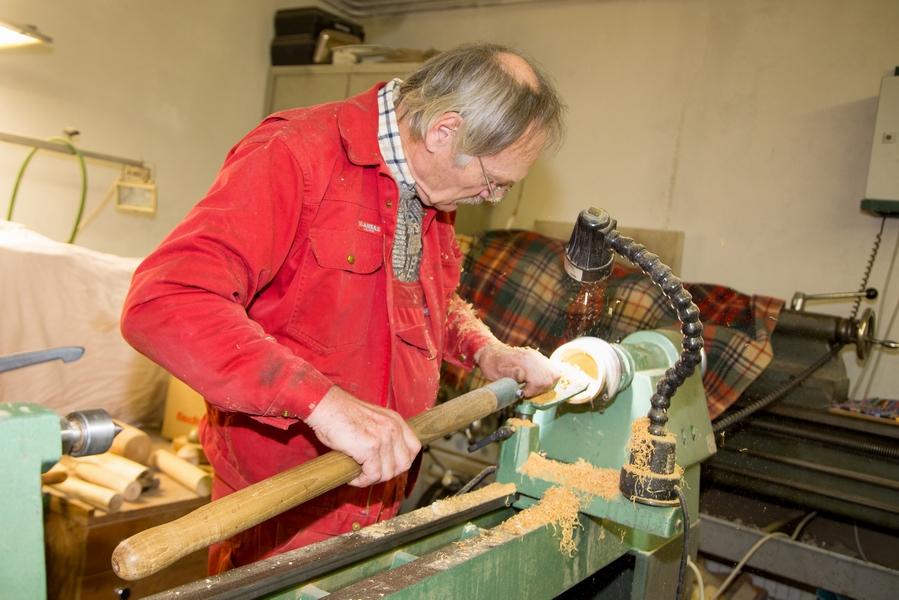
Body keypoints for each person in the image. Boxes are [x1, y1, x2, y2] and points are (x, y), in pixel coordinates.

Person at [120, 42, 566, 574]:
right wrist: (323, 403)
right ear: (444, 131)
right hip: (285, 502)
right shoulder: (295, 153)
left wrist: (485, 350)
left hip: (381, 489)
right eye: (494, 182)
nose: (491, 199)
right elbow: (165, 300)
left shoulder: (430, 187)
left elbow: (428, 300)